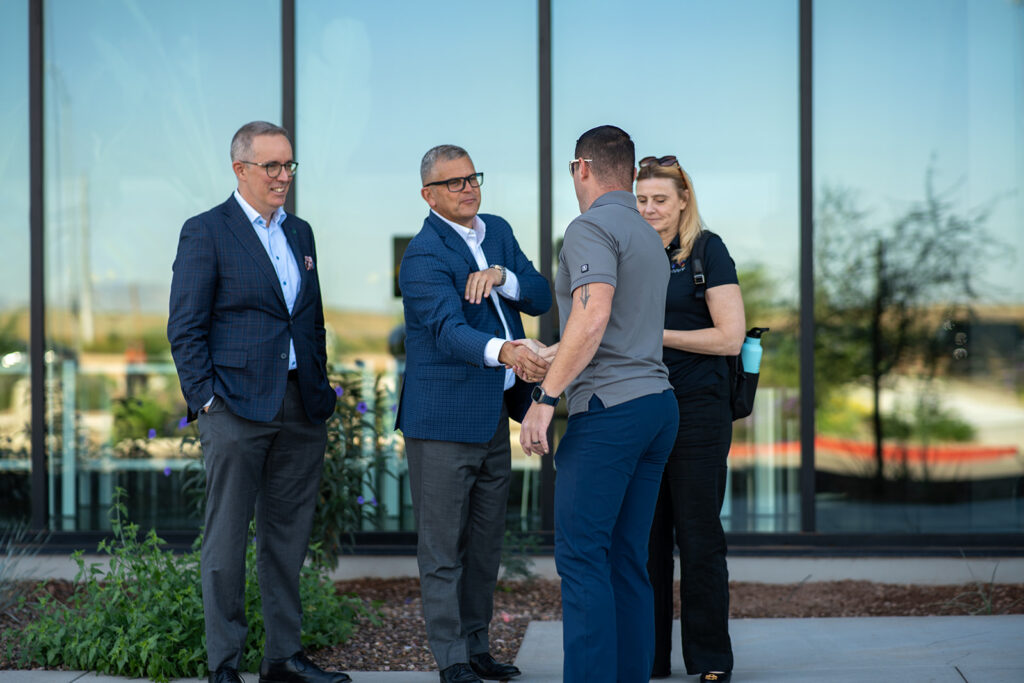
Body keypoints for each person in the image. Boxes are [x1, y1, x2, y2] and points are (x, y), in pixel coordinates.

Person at [168, 121, 349, 683]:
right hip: (236, 411)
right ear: (239, 169)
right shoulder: (207, 231)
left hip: (300, 407)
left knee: (287, 539)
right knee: (225, 540)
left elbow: (310, 319)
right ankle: (224, 663)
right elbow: (185, 327)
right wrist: (206, 402)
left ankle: (282, 658)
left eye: (289, 165)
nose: (283, 176)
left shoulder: (301, 234)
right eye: (271, 166)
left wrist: (319, 386)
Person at [518, 126, 679, 683]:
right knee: (625, 563)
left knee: (584, 562)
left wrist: (544, 398)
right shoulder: (646, 233)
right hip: (657, 406)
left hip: (610, 412)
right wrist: (550, 353)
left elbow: (592, 316)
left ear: (581, 167)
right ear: (630, 174)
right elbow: (612, 326)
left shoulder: (588, 228)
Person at [396, 144, 552, 683]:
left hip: (491, 418)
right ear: (429, 195)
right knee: (443, 551)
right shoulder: (422, 256)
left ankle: (478, 647)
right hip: (441, 425)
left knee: (485, 546)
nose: (468, 188)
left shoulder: (498, 231)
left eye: (472, 178)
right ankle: (452, 660)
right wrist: (505, 351)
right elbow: (446, 329)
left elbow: (539, 294)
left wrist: (505, 276)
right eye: (454, 182)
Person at [636, 155, 746, 683]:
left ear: (683, 200)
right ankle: (651, 660)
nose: (651, 208)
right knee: (647, 539)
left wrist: (656, 336)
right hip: (641, 407)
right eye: (642, 199)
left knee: (698, 537)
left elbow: (728, 337)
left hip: (699, 410)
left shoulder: (707, 250)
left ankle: (709, 663)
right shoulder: (630, 252)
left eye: (661, 199)